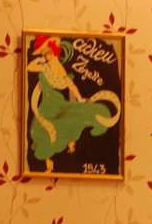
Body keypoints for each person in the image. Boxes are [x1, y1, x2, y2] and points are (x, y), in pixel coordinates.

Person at [26, 34, 121, 173]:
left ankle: (65, 143)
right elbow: (29, 67)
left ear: (54, 54)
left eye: (47, 54)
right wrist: (40, 59)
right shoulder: (45, 67)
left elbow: (71, 85)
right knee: (42, 129)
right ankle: (48, 158)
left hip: (56, 102)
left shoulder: (59, 69)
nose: (46, 56)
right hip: (48, 103)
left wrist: (80, 98)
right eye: (45, 54)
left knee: (67, 120)